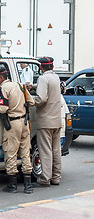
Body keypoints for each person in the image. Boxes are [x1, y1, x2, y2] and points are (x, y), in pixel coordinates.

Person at [0, 66, 35, 194]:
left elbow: (2, 109)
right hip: (24, 123)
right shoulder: (20, 85)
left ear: (1, 77)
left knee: (10, 153)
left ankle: (12, 185)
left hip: (13, 123)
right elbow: (31, 102)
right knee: (26, 153)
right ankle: (28, 186)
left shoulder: (3, 88)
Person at [32, 57, 62, 187]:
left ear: (40, 67)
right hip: (56, 119)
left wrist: (30, 102)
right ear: (52, 66)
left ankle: (45, 179)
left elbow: (41, 99)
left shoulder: (43, 78)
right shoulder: (56, 77)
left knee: (45, 150)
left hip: (45, 120)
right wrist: (33, 86)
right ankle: (56, 177)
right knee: (56, 150)